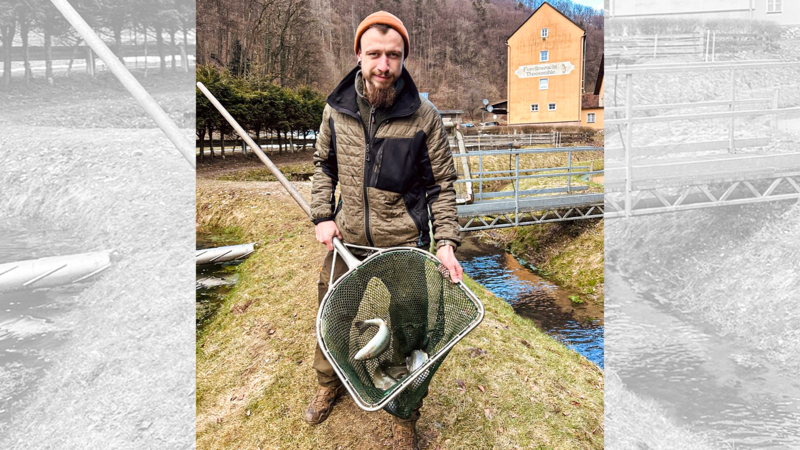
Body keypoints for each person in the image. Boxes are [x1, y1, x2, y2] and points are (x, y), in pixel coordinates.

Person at [304, 10, 463, 450]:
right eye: (374, 53)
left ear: (403, 58)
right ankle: (329, 382)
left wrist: (446, 243)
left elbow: (441, 186)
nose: (383, 65)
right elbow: (323, 165)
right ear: (358, 54)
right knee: (332, 315)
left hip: (405, 243)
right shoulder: (335, 110)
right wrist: (323, 216)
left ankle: (404, 412)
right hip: (347, 237)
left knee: (410, 328)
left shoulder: (424, 117)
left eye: (393, 55)